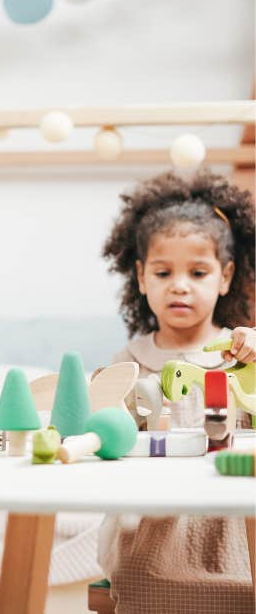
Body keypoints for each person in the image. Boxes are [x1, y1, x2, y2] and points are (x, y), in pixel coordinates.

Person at [98, 169, 255, 613]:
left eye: (198, 272)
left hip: (230, 514)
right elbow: (108, 436)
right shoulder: (128, 359)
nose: (180, 284)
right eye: (164, 272)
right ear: (141, 277)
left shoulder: (242, 350)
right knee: (144, 577)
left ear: (225, 277)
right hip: (155, 517)